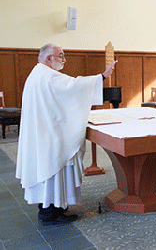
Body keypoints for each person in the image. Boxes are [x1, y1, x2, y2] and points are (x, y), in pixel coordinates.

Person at [16, 43, 117, 226]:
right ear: (48, 58)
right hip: (48, 136)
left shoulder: (37, 74)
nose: (64, 60)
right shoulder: (47, 76)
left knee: (47, 172)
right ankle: (49, 214)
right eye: (61, 56)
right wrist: (102, 77)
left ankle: (53, 208)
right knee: (51, 171)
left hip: (42, 134)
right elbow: (73, 87)